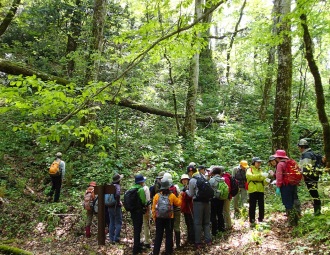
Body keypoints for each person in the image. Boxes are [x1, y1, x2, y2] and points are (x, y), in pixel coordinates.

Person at [151, 179, 182, 255]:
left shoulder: (157, 196)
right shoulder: (171, 196)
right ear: (168, 187)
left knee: (158, 235)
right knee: (169, 235)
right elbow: (178, 203)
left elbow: (153, 208)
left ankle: (156, 252)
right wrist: (180, 195)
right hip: (169, 218)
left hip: (159, 218)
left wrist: (155, 218)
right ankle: (168, 252)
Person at [186, 165, 212, 249]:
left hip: (198, 203)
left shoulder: (192, 180)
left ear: (190, 172)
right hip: (207, 202)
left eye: (188, 173)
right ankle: (208, 241)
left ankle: (198, 242)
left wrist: (185, 190)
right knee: (206, 222)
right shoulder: (203, 177)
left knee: (197, 223)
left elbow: (191, 194)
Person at [273, 150, 299, 226]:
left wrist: (278, 187)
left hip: (285, 186)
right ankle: (296, 219)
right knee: (294, 200)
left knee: (288, 203)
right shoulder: (291, 162)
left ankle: (291, 221)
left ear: (278, 157)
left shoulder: (280, 164)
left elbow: (279, 177)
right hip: (293, 184)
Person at [297, 139, 322, 215]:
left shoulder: (306, 155)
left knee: (314, 193)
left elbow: (306, 168)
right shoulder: (310, 153)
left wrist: (303, 176)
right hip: (313, 176)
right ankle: (317, 211)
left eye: (299, 147)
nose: (298, 149)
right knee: (314, 192)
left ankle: (317, 212)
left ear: (302, 147)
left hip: (310, 177)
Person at [246, 157, 268, 227]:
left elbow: (263, 180)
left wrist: (267, 180)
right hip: (252, 189)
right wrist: (260, 176)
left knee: (261, 205)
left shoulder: (260, 170)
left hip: (261, 189)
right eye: (257, 162)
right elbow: (250, 177)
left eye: (260, 162)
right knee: (252, 205)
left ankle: (261, 219)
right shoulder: (249, 169)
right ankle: (252, 220)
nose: (259, 164)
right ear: (253, 162)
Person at [129, 174, 148, 255]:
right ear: (141, 182)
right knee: (138, 230)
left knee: (136, 229)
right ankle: (136, 248)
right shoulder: (140, 189)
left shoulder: (131, 189)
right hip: (138, 212)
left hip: (133, 212)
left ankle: (137, 246)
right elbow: (143, 201)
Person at [162, 172, 181, 248]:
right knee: (176, 227)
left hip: (168, 211)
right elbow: (179, 197)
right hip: (177, 210)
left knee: (169, 228)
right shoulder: (176, 187)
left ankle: (170, 246)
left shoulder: (163, 189)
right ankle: (178, 244)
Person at [209, 166, 225, 236]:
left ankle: (214, 231)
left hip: (214, 199)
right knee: (220, 213)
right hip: (221, 198)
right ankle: (221, 228)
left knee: (213, 215)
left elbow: (209, 189)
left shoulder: (212, 180)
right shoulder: (222, 179)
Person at [108, 173, 123, 244]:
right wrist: (118, 202)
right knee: (119, 222)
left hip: (109, 206)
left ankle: (111, 238)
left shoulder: (110, 186)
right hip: (116, 206)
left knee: (112, 222)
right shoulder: (117, 186)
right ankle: (116, 238)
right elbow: (117, 195)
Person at [179, 174, 194, 245]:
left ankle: (192, 238)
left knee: (191, 223)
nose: (184, 181)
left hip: (190, 208)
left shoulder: (189, 188)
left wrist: (184, 193)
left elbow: (190, 197)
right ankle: (189, 237)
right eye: (183, 180)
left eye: (186, 180)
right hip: (185, 208)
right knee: (188, 223)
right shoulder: (183, 188)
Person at [141, 179, 152, 248]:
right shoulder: (145, 188)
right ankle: (147, 241)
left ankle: (140, 240)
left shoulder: (135, 188)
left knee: (139, 225)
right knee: (146, 224)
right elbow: (148, 200)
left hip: (137, 210)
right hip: (145, 210)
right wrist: (148, 211)